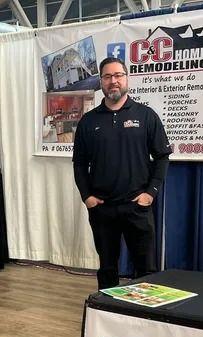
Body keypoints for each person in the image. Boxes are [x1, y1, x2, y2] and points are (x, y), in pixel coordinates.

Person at [72, 56, 172, 290]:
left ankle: (143, 316)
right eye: (107, 76)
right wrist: (87, 197)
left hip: (137, 205)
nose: (113, 81)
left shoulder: (147, 116)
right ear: (101, 82)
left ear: (126, 79)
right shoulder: (88, 122)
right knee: (107, 267)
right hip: (102, 208)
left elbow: (162, 156)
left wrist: (151, 193)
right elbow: (79, 165)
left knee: (145, 268)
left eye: (118, 75)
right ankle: (108, 314)